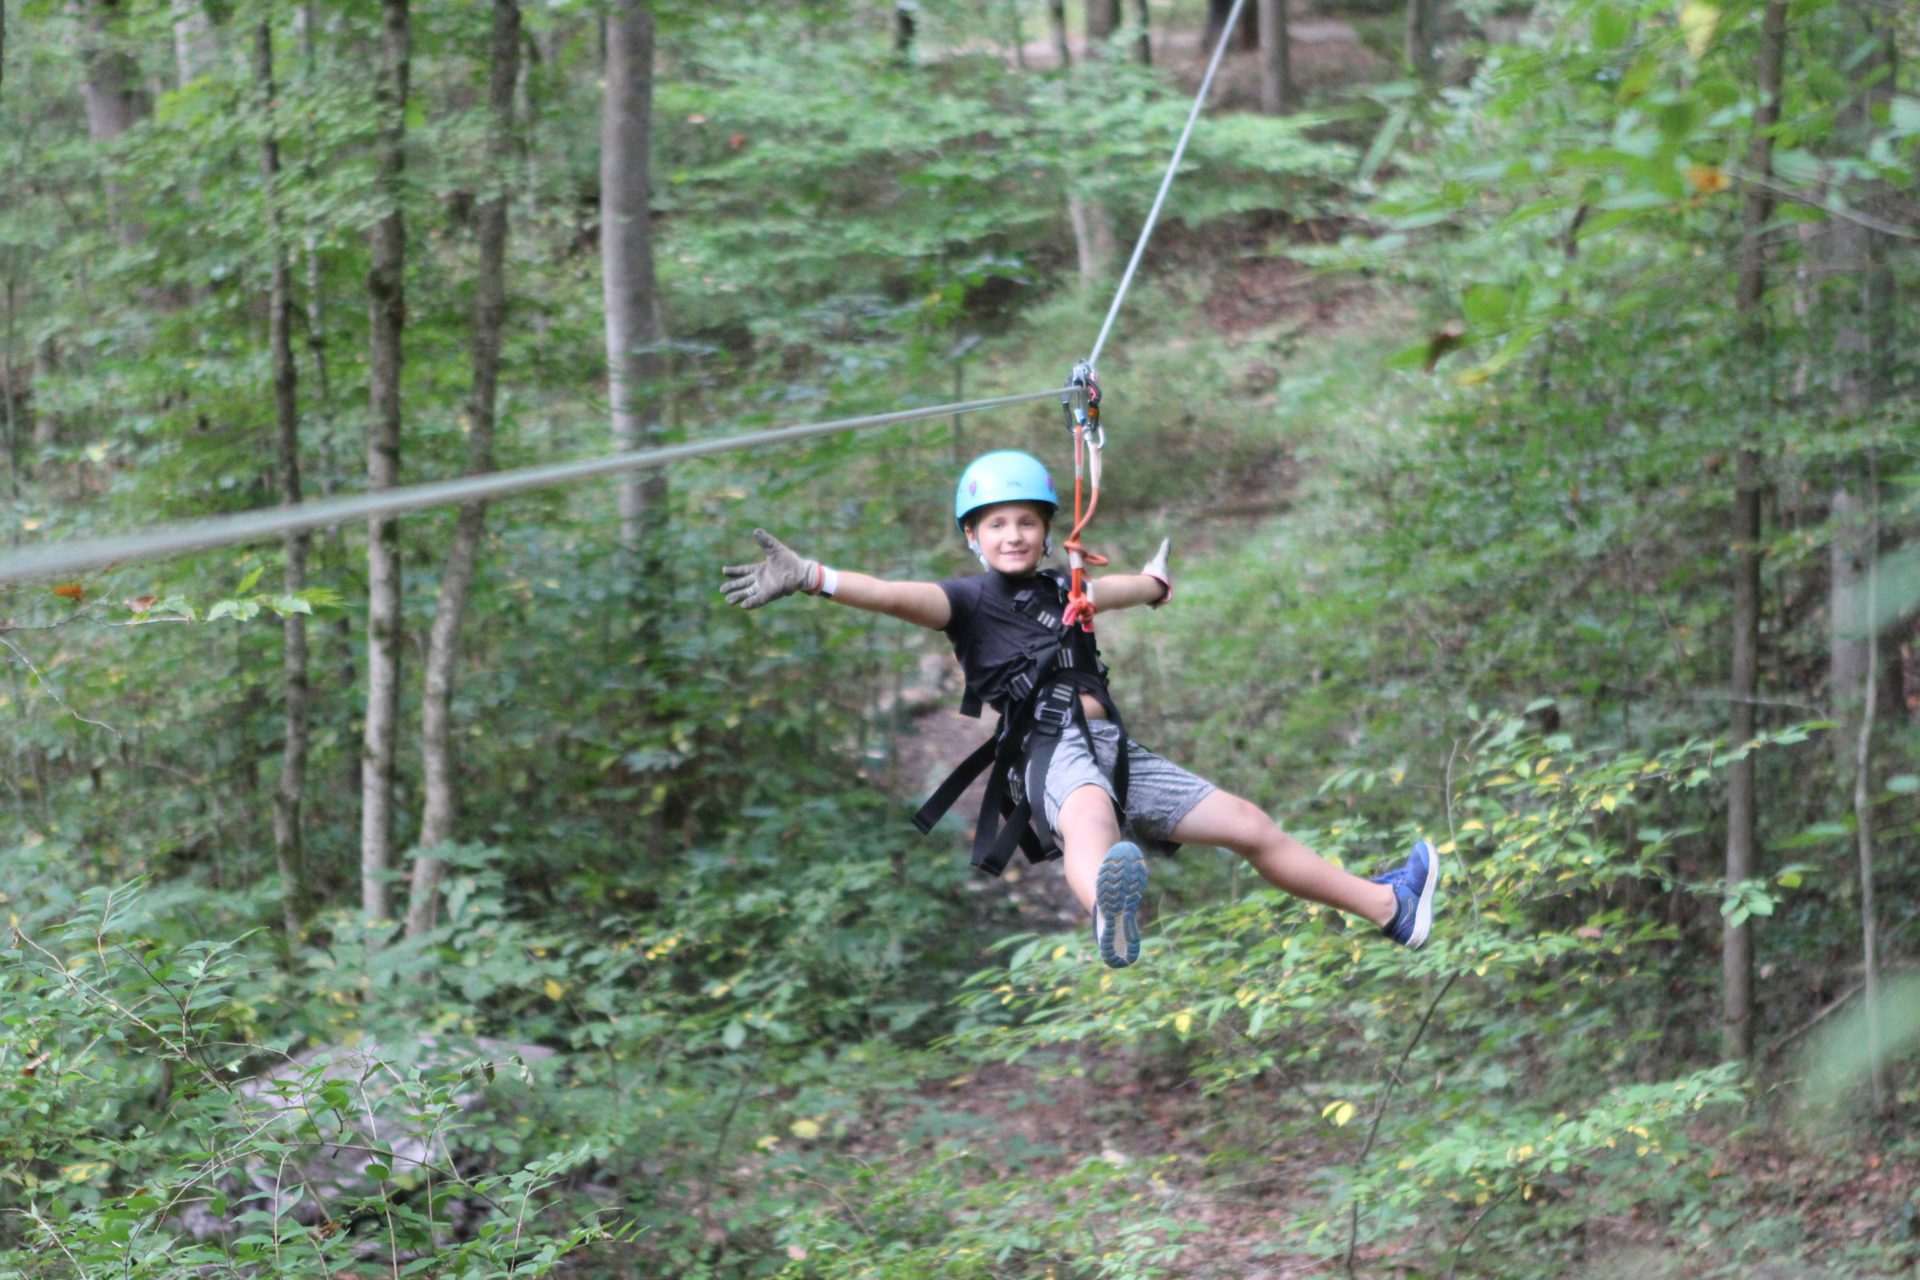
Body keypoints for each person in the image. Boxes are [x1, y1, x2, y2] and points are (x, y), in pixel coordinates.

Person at [721, 449, 1438, 968]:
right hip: (1049, 749)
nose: (1013, 535)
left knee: (1248, 824)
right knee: (1087, 815)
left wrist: (1156, 585)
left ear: (1043, 530)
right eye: (996, 524)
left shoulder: (1065, 587)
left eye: (1026, 522)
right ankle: (1108, 911)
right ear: (972, 538)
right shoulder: (964, 602)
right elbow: (889, 592)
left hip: (1120, 752)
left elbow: (1121, 590)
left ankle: (1390, 909)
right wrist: (814, 576)